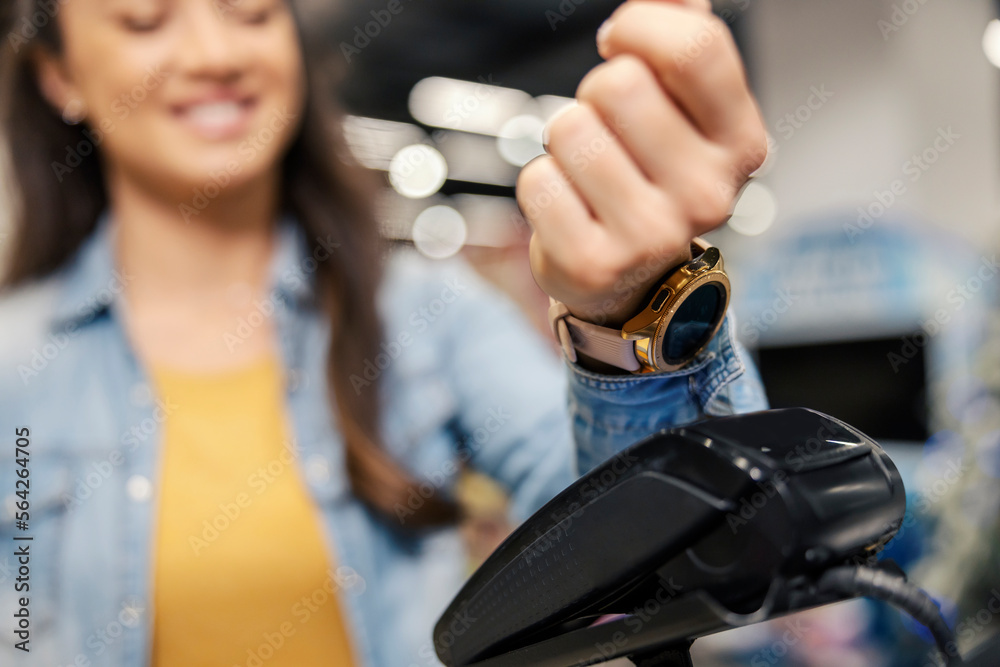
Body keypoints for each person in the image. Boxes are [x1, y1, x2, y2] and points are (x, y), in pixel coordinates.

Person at [0, 0, 768, 665]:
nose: (215, 52)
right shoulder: (15, 359)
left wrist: (638, 309)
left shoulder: (424, 314)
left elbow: (671, 558)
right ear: (59, 77)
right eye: (145, 18)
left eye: (253, 12)